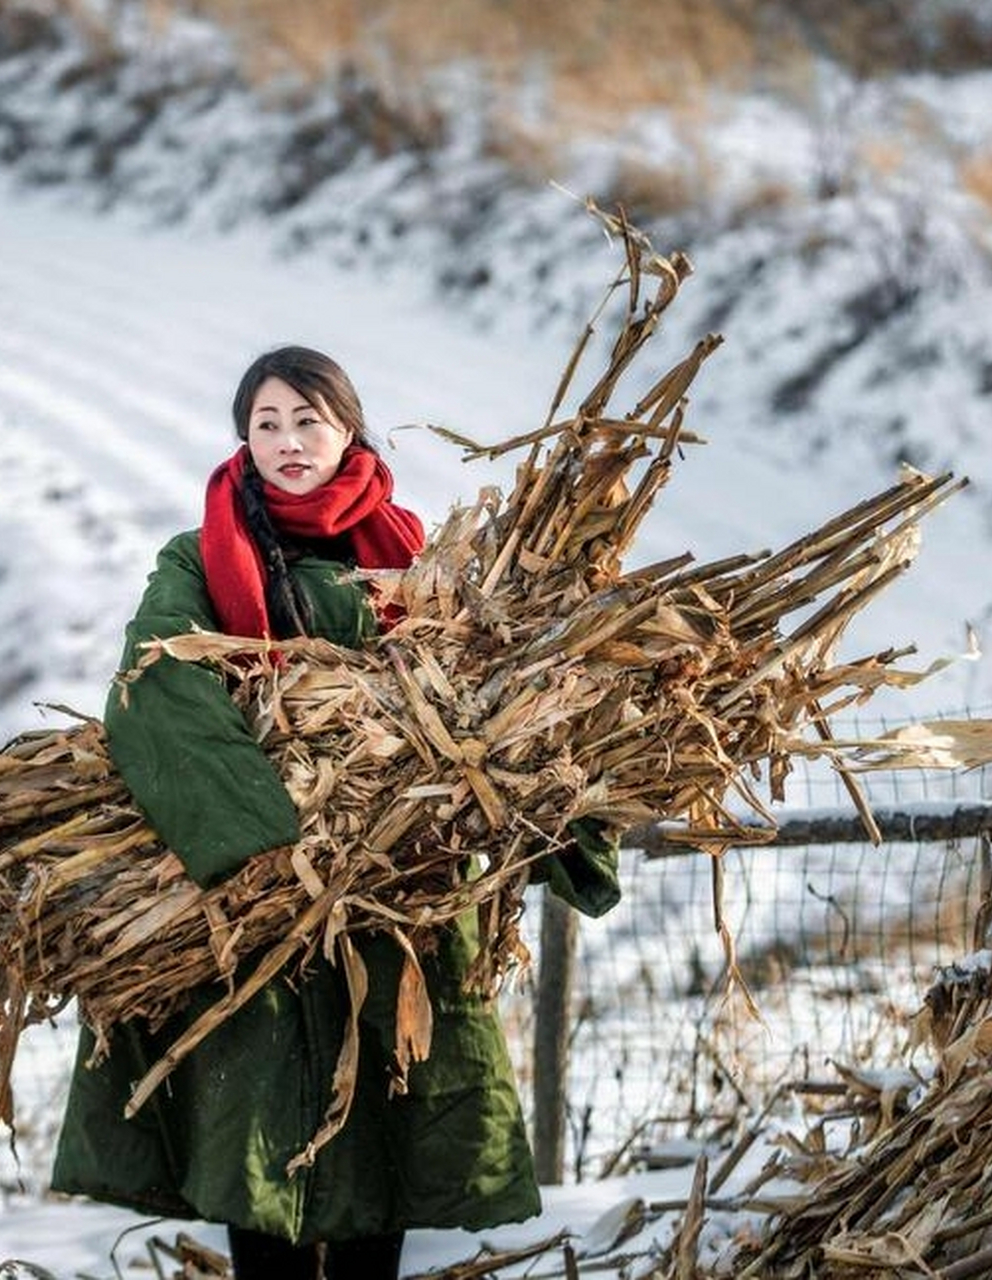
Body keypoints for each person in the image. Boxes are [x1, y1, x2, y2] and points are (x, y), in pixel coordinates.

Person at [50, 346, 621, 1278]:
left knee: (383, 1145)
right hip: (252, 909)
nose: (286, 442)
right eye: (266, 423)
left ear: (347, 428)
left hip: (394, 901)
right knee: (254, 1149)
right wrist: (264, 844)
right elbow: (154, 686)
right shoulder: (198, 559)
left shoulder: (419, 561)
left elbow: (500, 701)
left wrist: (559, 812)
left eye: (306, 420)